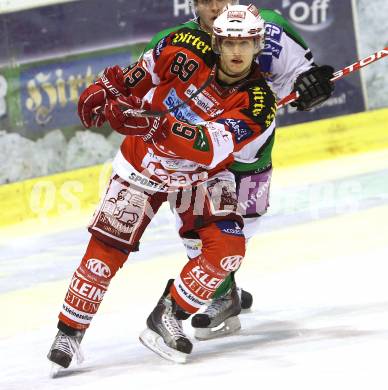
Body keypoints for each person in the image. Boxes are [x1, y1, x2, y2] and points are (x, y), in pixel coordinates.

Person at [47, 3, 277, 367]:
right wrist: (106, 89)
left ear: (257, 44)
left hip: (201, 175)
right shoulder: (181, 44)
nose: (236, 52)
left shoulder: (259, 102)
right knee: (107, 248)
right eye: (229, 43)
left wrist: (157, 125)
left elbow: (208, 146)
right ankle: (69, 332)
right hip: (143, 161)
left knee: (229, 249)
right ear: (216, 42)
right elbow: (137, 77)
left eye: (245, 43)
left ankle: (168, 313)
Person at [143, 0, 335, 341]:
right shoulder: (174, 41)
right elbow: (146, 93)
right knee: (199, 229)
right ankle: (222, 295)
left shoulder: (269, 28)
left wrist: (311, 86)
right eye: (206, 0)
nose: (216, 6)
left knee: (247, 221)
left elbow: (300, 75)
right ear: (193, 4)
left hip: (251, 146)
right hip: (196, 154)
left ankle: (223, 282)